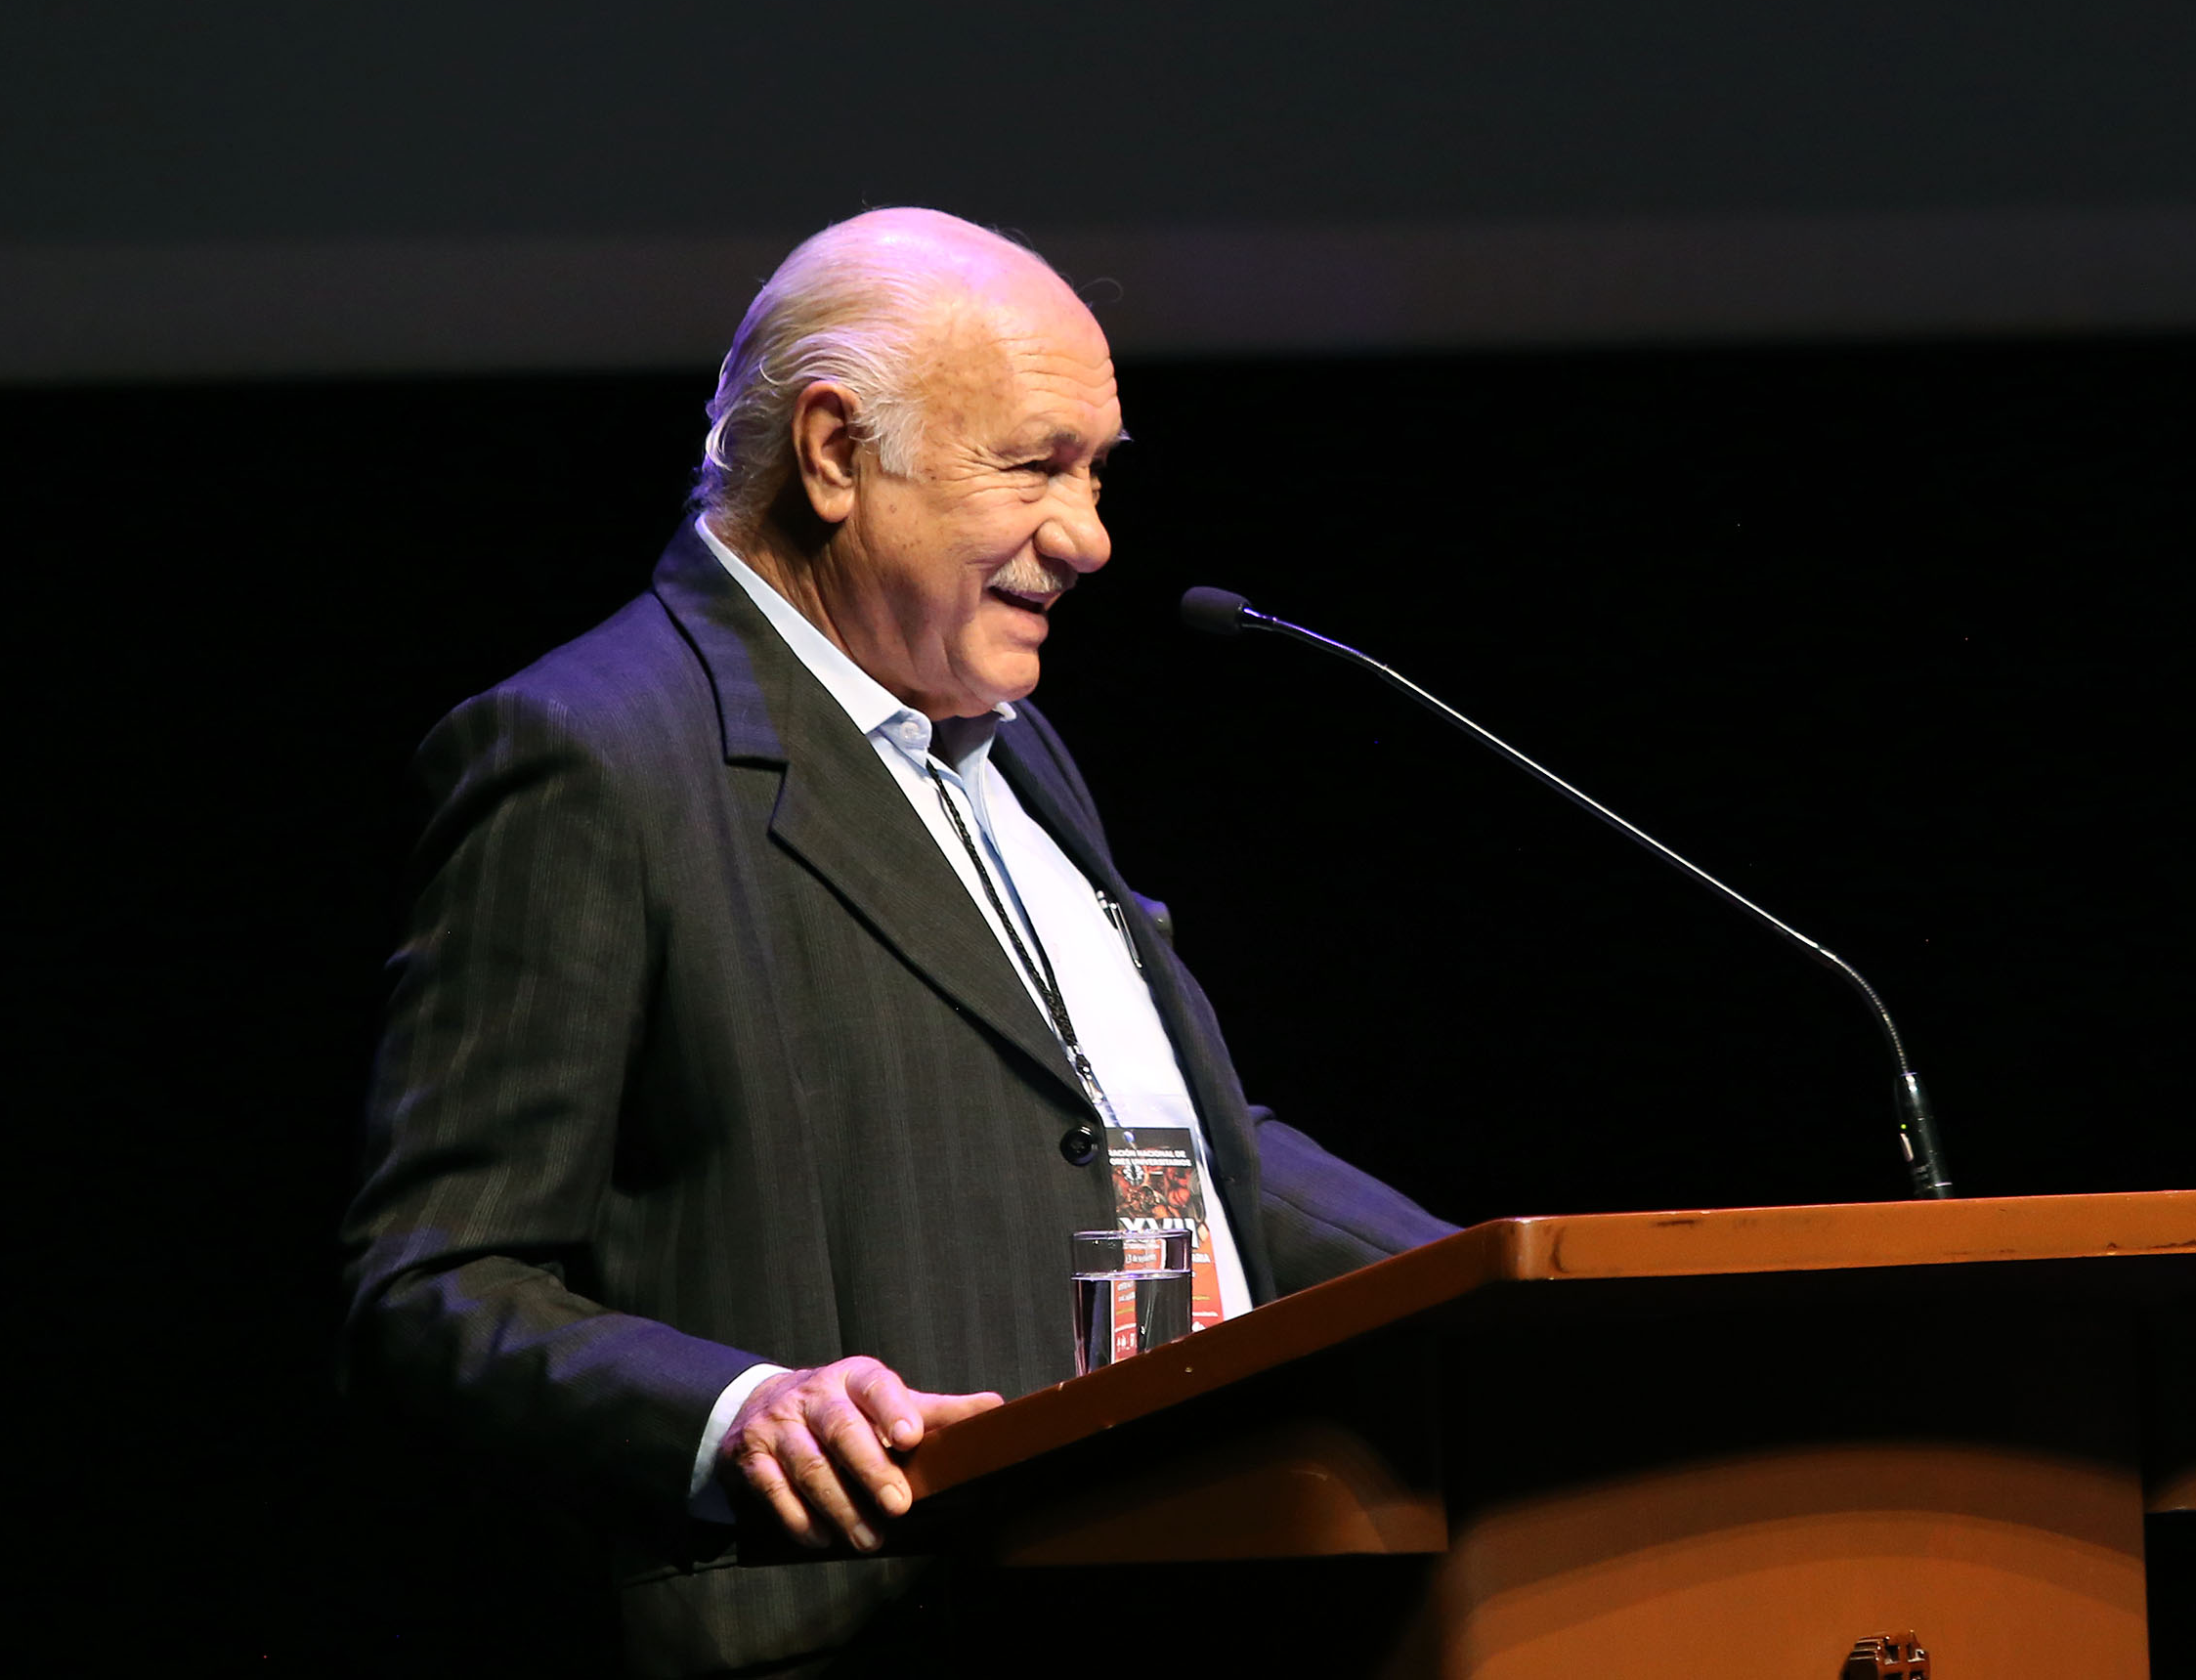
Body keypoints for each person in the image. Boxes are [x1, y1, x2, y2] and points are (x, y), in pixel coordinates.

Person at [338, 208, 1452, 1676]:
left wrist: (1505, 1294)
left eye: (1098, 470)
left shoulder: (1012, 741)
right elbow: (436, 1283)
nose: (1092, 536)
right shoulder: (590, 759)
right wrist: (737, 1413)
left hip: (1178, 1588)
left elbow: (1164, 1146)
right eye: (1036, 465)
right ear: (832, 454)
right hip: (861, 1630)